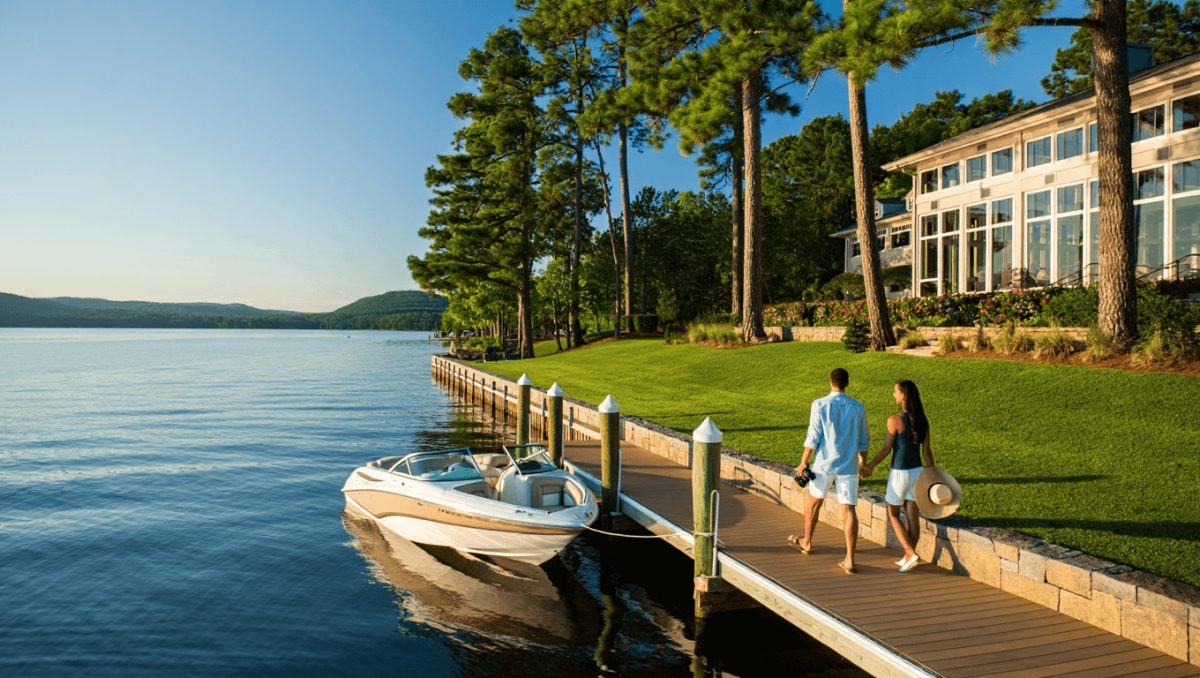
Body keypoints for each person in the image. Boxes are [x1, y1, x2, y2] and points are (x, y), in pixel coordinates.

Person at [787, 368, 870, 574]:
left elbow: (813, 436)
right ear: (847, 383)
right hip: (848, 466)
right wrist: (863, 463)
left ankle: (807, 542)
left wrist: (802, 462)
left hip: (824, 465)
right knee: (848, 510)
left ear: (829, 382)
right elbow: (863, 440)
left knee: (813, 503)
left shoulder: (820, 404)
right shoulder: (858, 408)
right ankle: (850, 559)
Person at [861, 380, 935, 573]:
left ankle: (910, 553)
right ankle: (910, 556)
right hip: (918, 473)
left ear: (903, 396)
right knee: (912, 517)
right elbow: (927, 452)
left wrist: (870, 466)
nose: (893, 394)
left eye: (895, 392)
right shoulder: (923, 420)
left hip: (899, 475)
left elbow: (887, 448)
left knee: (892, 513)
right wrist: (933, 474)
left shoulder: (894, 420)